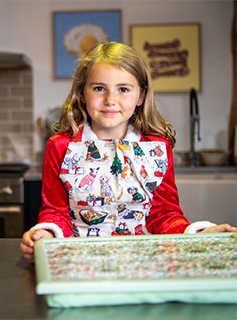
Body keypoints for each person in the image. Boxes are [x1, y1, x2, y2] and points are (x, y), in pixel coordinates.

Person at [21, 42, 237, 261]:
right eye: (99, 88)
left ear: (141, 96)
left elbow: (164, 215)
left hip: (143, 262)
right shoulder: (60, 146)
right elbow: (55, 211)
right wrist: (46, 233)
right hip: (79, 260)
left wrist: (197, 234)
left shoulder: (157, 147)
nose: (110, 100)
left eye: (123, 89)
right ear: (82, 94)